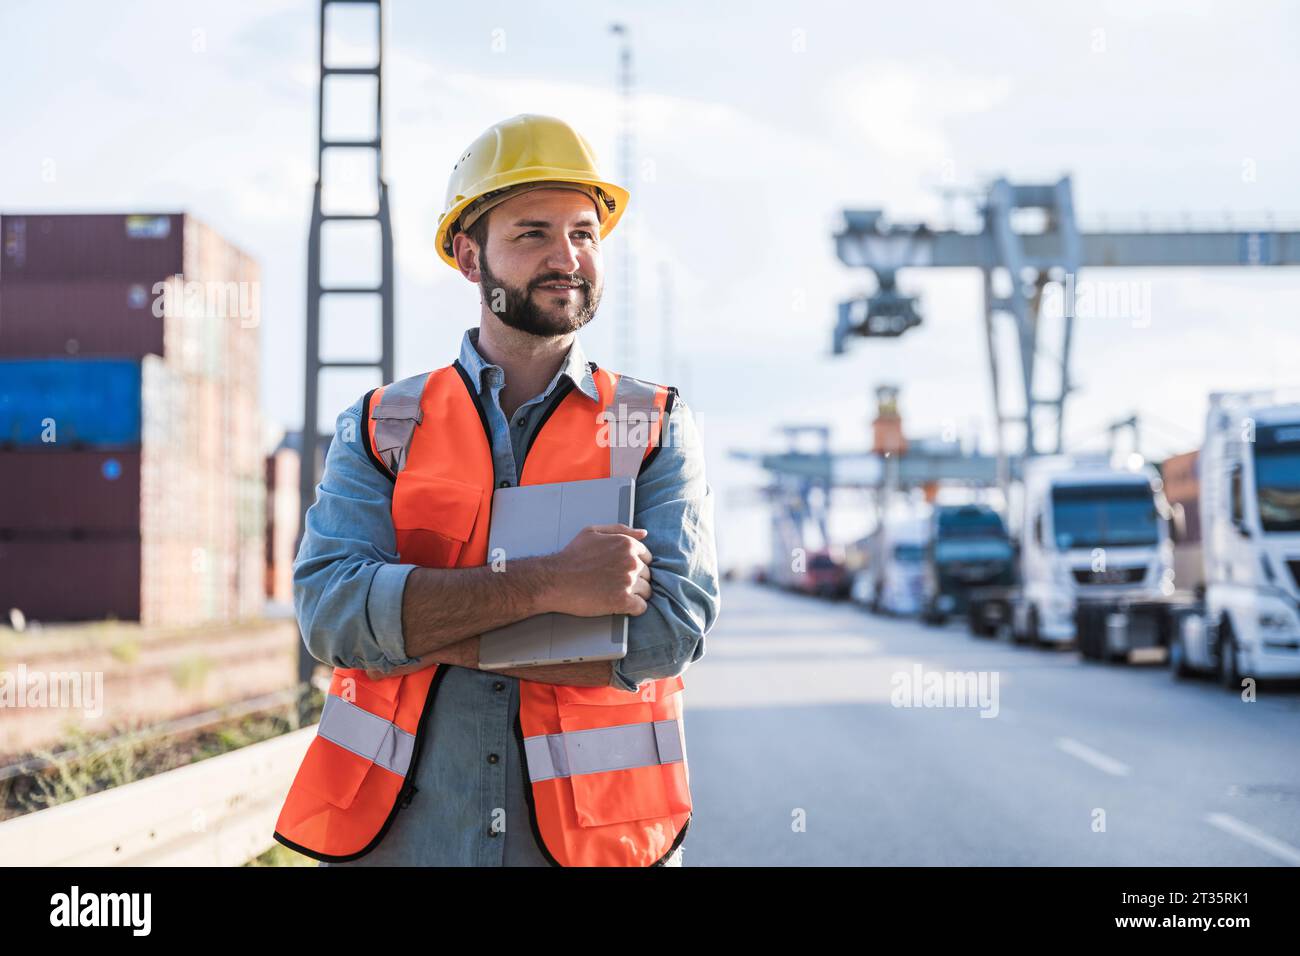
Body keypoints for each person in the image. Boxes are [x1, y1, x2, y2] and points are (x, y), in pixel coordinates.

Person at [273, 114, 721, 867]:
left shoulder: (650, 425)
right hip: (407, 841)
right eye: (533, 234)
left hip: (598, 843)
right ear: (467, 255)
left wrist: (420, 633)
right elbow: (331, 618)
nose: (567, 257)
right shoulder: (383, 424)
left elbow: (669, 634)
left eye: (584, 232)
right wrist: (557, 585)